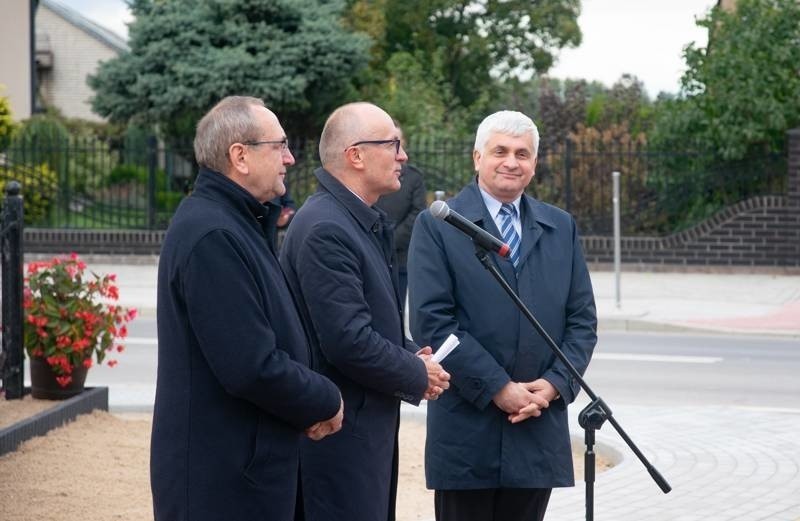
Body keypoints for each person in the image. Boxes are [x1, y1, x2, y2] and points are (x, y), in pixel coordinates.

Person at [151, 96, 344, 521]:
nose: (290, 159)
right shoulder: (213, 234)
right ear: (239, 155)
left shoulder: (237, 223)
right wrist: (325, 399)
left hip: (244, 472)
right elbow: (250, 365)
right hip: (221, 484)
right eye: (279, 146)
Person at [407, 110, 597, 521]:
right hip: (468, 428)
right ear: (477, 157)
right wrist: (498, 387)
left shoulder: (559, 227)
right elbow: (432, 323)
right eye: (500, 151)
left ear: (534, 164)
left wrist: (552, 386)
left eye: (522, 153)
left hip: (535, 424)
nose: (511, 161)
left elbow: (582, 321)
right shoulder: (440, 226)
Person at [279, 102, 451, 521]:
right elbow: (347, 340)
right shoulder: (327, 228)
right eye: (392, 144)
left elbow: (370, 318)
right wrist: (415, 374)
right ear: (355, 155)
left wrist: (410, 354)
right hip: (337, 438)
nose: (403, 156)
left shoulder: (353, 219)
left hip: (359, 430)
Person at [375, 123, 427, 299]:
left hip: (400, 256)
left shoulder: (414, 177)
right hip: (372, 248)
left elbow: (417, 213)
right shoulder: (373, 176)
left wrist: (391, 239)